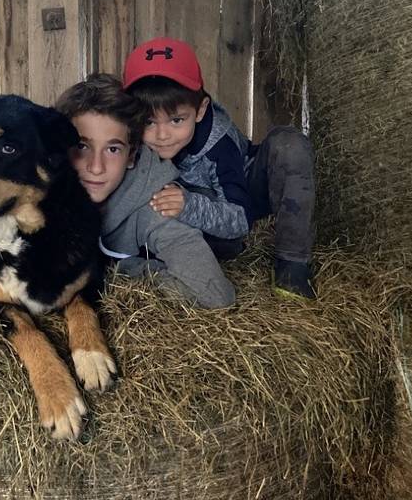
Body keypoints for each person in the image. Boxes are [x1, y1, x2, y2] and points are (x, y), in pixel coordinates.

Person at [122, 37, 315, 300]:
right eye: (148, 122)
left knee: (290, 145)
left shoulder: (218, 146)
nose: (162, 135)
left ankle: (291, 263)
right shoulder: (128, 142)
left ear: (200, 110)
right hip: (183, 211)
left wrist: (189, 206)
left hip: (235, 201)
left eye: (177, 120)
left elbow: (240, 219)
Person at [55, 73, 235, 309]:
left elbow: (215, 295)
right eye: (82, 146)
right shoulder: (43, 188)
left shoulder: (155, 205)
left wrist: (120, 271)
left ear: (131, 155)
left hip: (227, 226)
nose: (96, 167)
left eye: (112, 149)